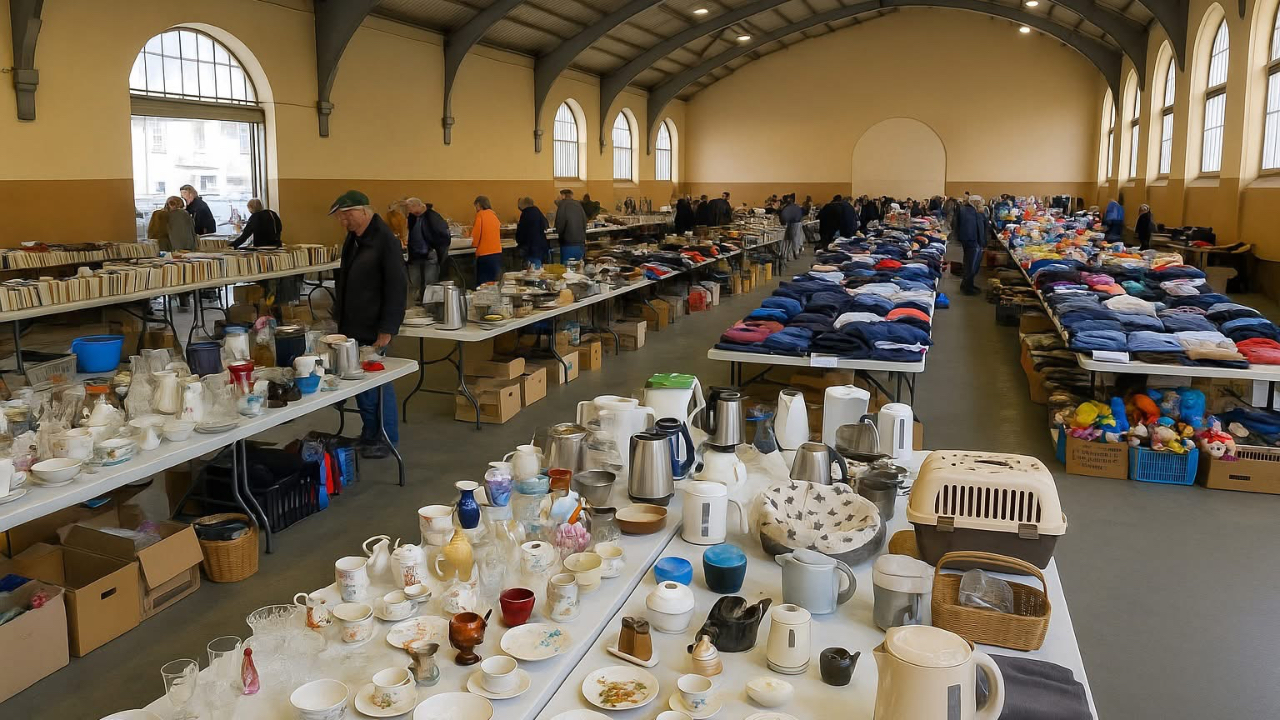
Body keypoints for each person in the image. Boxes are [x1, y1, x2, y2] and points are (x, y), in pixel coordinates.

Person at [330, 190, 407, 459]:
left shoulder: (385, 241)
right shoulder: (354, 240)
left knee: (378, 384)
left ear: (363, 211)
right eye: (341, 217)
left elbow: (398, 287)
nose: (343, 221)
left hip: (375, 328)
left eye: (346, 215)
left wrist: (388, 328)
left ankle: (386, 438)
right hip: (352, 326)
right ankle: (369, 433)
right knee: (361, 384)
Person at [405, 198, 445, 294]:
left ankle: (429, 306)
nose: (410, 212)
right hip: (415, 254)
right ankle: (419, 302)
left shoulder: (432, 217)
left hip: (430, 253)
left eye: (410, 209)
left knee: (430, 284)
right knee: (415, 282)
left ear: (417, 206)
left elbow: (443, 235)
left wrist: (438, 250)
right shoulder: (412, 217)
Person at [954, 195, 988, 295]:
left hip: (975, 241)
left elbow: (984, 226)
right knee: (970, 265)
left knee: (974, 265)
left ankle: (969, 284)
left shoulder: (977, 212)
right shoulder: (967, 211)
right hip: (971, 241)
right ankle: (966, 287)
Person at [471, 196, 503, 286]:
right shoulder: (494, 215)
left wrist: (472, 242)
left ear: (479, 205)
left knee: (483, 285)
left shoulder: (480, 215)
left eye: (475, 206)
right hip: (497, 253)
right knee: (494, 283)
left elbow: (476, 236)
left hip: (485, 255)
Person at [554, 189, 588, 264]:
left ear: (562, 196)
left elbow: (559, 225)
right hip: (580, 243)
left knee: (568, 270)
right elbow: (584, 222)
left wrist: (557, 233)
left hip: (568, 243)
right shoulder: (578, 205)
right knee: (579, 268)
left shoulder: (562, 205)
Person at [515, 196, 550, 269]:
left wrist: (519, 242)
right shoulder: (537, 211)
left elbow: (521, 232)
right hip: (541, 247)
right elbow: (546, 224)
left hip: (530, 248)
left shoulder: (526, 214)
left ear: (523, 205)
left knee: (532, 271)